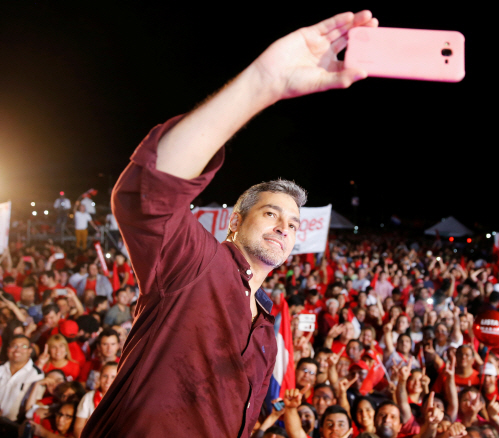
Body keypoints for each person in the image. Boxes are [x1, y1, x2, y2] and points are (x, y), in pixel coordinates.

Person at [81, 11, 379, 437]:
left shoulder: (267, 335)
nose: (283, 227)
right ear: (235, 220)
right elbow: (147, 195)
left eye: (293, 224)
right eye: (272, 213)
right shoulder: (197, 264)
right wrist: (264, 83)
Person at [0, 335, 44, 422]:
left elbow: (34, 405)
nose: (18, 350)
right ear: (8, 349)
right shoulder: (1, 367)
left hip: (13, 425)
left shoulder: (36, 375)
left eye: (23, 346)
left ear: (30, 351)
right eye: (14, 346)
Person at [74, 362, 117, 437]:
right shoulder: (88, 397)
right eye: (105, 376)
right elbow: (78, 428)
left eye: (113, 377)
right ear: (99, 377)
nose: (108, 380)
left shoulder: (124, 398)